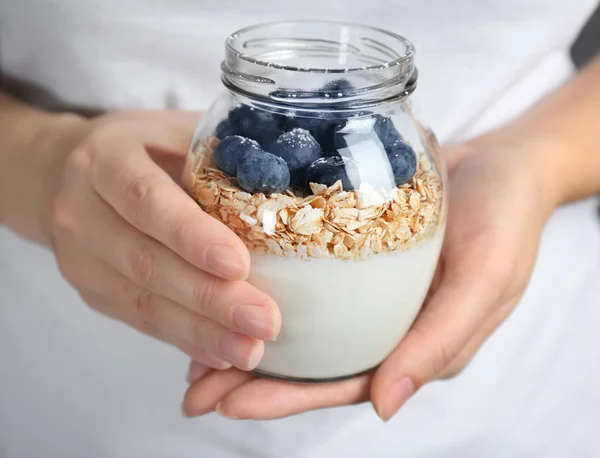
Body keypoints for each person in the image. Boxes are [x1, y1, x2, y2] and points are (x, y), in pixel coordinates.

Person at [1, 1, 599, 456]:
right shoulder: (236, 140)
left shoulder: (394, 151)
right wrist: (38, 158)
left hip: (516, 402)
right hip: (72, 391)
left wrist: (536, 163)